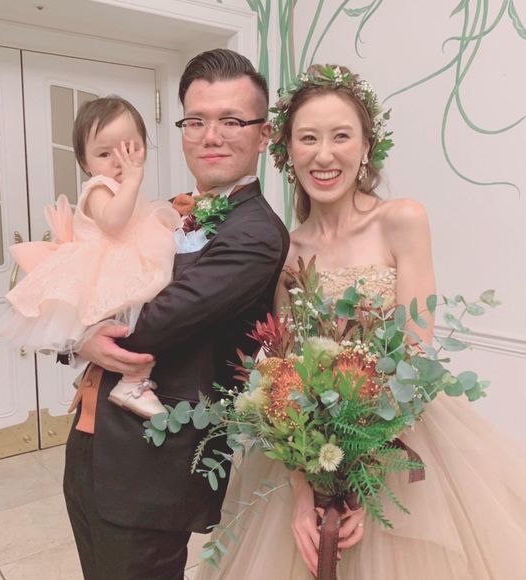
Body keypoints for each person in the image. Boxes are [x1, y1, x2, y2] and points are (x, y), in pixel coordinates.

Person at [194, 64, 526, 580]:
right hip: (309, 454)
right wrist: (304, 489)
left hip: (399, 440)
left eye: (341, 136)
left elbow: (414, 354)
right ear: (287, 152)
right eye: (308, 138)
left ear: (367, 146)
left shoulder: (401, 220)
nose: (324, 155)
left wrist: (364, 483)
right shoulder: (286, 250)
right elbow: (283, 376)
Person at [62, 49, 290, 580]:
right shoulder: (169, 213)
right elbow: (90, 273)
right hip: (94, 441)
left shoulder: (255, 234)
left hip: (152, 468)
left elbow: (154, 323)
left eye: (231, 121)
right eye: (196, 121)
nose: (211, 136)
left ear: (263, 134)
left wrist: (79, 332)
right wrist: (72, 332)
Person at [0, 96, 181, 418]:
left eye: (130, 148)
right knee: (127, 330)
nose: (120, 161)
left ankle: (132, 380)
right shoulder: (98, 188)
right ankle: (131, 382)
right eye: (105, 154)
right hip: (104, 269)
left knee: (139, 326)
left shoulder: (121, 187)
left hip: (124, 260)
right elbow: (113, 222)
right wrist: (133, 182)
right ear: (85, 162)